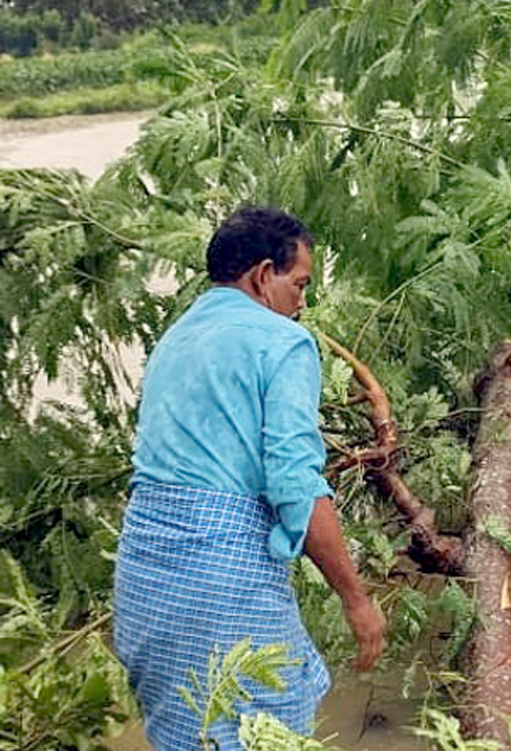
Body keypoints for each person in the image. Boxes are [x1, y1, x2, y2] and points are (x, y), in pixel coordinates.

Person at [114, 206, 386, 751]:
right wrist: (355, 598)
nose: (302, 303)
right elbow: (295, 484)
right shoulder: (280, 341)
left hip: (143, 583)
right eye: (300, 285)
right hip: (220, 581)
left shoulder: (174, 339)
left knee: (188, 732)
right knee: (268, 731)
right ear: (263, 276)